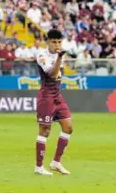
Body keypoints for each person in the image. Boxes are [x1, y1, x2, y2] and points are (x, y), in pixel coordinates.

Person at [35, 29, 73, 175]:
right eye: (54, 42)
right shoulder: (42, 56)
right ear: (47, 42)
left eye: (59, 42)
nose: (57, 44)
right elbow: (51, 74)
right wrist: (59, 58)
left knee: (68, 127)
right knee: (45, 131)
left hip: (58, 96)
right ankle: (38, 167)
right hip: (46, 97)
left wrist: (59, 57)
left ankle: (56, 162)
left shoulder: (60, 56)